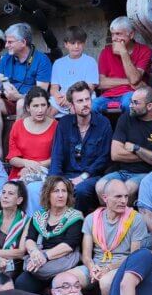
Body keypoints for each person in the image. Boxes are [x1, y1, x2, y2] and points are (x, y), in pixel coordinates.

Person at [73, 179, 147, 295]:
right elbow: (86, 255)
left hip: (121, 266)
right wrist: (92, 267)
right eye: (118, 196)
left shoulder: (136, 219)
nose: (124, 201)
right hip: (96, 267)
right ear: (105, 198)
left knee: (106, 282)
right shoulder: (92, 218)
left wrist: (107, 269)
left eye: (126, 196)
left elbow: (134, 256)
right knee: (65, 279)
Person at [98, 86, 152, 201]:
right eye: (131, 102)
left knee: (127, 190)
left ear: (149, 106)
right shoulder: (125, 119)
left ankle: (128, 218)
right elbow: (115, 154)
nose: (130, 106)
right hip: (122, 171)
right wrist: (149, 157)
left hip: (148, 173)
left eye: (136, 103)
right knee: (100, 187)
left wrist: (136, 148)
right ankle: (108, 218)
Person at [48, 81, 113, 215]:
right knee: (51, 187)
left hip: (91, 176)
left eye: (87, 99)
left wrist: (83, 177)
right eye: (80, 101)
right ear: (72, 105)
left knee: (80, 190)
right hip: (67, 175)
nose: (85, 104)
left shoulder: (103, 123)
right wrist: (56, 181)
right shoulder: (64, 124)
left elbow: (104, 158)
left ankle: (75, 228)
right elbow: (57, 155)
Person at [15, 176, 83, 294]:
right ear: (47, 194)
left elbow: (69, 245)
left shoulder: (75, 216)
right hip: (40, 265)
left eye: (64, 191)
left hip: (63, 265)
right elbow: (30, 239)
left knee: (60, 287)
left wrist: (44, 256)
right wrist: (35, 252)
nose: (61, 195)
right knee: (22, 283)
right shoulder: (39, 216)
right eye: (56, 191)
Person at [6, 86, 56, 213]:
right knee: (10, 191)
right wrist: (26, 164)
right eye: (35, 106)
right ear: (28, 107)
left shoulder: (56, 126)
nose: (40, 110)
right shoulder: (18, 126)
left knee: (33, 188)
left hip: (45, 170)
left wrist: (34, 167)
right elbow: (12, 158)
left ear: (48, 106)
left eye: (43, 105)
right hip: (19, 171)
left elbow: (57, 156)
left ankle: (33, 227)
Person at [0, 22, 52, 119]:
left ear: (23, 42)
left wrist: (18, 96)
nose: (6, 45)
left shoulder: (42, 60)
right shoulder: (7, 57)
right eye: (6, 41)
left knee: (21, 103)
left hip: (29, 101)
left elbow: (41, 94)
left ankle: (17, 134)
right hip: (8, 100)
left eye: (10, 42)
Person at [93, 16, 152, 113]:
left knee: (128, 104)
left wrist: (123, 53)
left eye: (118, 34)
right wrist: (128, 82)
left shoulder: (145, 51)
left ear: (131, 34)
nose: (114, 38)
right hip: (108, 96)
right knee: (91, 106)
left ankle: (127, 128)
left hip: (131, 93)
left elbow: (134, 79)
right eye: (112, 34)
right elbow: (101, 83)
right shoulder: (105, 52)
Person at [49, 26, 99, 117]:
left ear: (84, 44)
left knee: (75, 109)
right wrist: (58, 98)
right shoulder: (58, 63)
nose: (76, 46)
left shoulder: (90, 61)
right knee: (48, 111)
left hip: (83, 96)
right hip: (62, 97)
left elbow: (90, 87)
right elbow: (54, 87)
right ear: (66, 44)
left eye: (79, 43)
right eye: (72, 43)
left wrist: (71, 99)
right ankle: (54, 131)